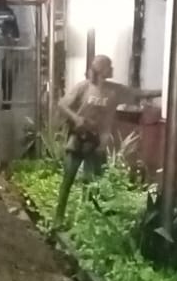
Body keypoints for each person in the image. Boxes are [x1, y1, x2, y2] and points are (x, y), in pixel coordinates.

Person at [51, 53, 157, 235]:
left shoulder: (114, 90)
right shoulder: (83, 87)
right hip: (77, 140)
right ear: (101, 70)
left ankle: (85, 224)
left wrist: (163, 90)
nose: (113, 69)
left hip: (96, 142)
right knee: (67, 180)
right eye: (110, 66)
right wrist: (76, 118)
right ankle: (58, 219)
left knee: (92, 184)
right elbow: (62, 104)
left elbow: (138, 94)